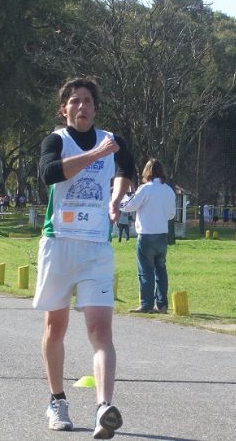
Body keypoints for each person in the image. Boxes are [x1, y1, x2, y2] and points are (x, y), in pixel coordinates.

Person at [35, 77, 134, 438]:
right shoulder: (56, 140)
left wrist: (116, 198)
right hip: (58, 243)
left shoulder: (113, 141)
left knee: (100, 329)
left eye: (88, 101)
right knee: (55, 327)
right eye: (74, 101)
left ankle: (103, 407)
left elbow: (127, 168)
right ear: (64, 109)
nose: (82, 107)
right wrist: (94, 156)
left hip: (96, 247)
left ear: (95, 107)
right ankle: (57, 400)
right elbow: (47, 173)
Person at [121, 159, 177, 314]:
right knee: (161, 270)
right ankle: (162, 304)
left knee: (146, 271)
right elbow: (171, 214)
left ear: (147, 172)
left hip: (146, 234)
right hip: (162, 235)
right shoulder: (168, 190)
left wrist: (123, 198)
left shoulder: (145, 189)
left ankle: (146, 304)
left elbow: (129, 207)